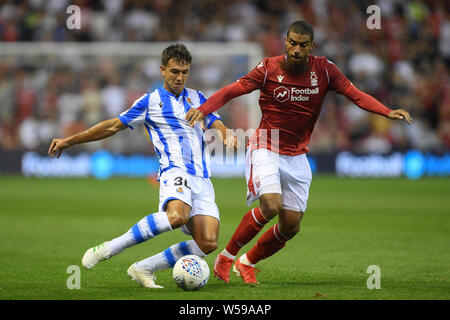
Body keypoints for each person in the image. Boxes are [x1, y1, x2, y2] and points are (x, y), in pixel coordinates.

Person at [185, 20, 413, 285]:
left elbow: (355, 94)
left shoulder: (325, 70)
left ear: (311, 46)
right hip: (265, 145)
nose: (296, 49)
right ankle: (226, 257)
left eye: (302, 45)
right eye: (292, 43)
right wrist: (204, 108)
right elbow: (232, 90)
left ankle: (247, 262)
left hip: (297, 155)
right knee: (271, 204)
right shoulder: (268, 68)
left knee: (291, 225)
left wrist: (386, 111)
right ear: (286, 41)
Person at [48, 44, 237, 288]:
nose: (179, 77)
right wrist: (69, 140)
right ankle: (109, 248)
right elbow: (112, 126)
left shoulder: (198, 98)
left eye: (184, 72)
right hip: (174, 171)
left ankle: (143, 268)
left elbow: (216, 121)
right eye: (174, 71)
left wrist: (226, 134)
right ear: (162, 70)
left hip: (202, 178)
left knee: (208, 242)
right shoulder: (150, 102)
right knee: (177, 217)